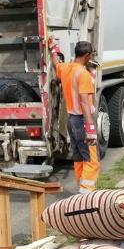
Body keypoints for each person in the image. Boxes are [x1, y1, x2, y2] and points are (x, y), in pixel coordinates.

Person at [49, 38, 99, 193]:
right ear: (87, 56)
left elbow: (56, 63)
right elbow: (84, 103)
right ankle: (86, 193)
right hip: (82, 120)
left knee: (78, 156)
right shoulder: (83, 74)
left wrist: (53, 49)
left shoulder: (66, 69)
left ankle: (81, 188)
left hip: (71, 121)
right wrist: (90, 129)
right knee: (91, 160)